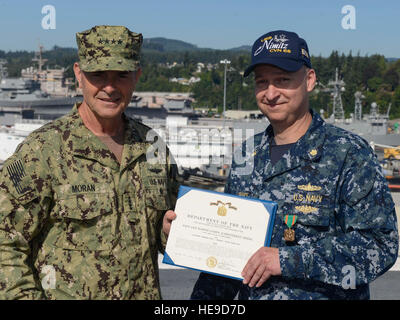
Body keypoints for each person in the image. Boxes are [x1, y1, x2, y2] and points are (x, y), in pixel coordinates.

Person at [190, 30, 399, 300]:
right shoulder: (247, 154)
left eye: (283, 80)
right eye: (262, 82)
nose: (271, 93)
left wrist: (288, 260)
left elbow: (380, 246)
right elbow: (226, 259)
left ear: (309, 80)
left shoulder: (349, 154)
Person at [0, 25, 179, 299]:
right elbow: (6, 242)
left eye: (121, 75)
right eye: (98, 75)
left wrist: (169, 233)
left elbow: (162, 236)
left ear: (137, 76)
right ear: (78, 75)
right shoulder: (43, 152)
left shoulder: (152, 148)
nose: (109, 87)